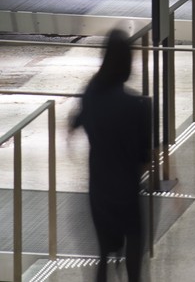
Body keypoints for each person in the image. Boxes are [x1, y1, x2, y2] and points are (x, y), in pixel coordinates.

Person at [70, 29, 152, 282]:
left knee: (103, 254)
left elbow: (75, 122)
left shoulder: (92, 92)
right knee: (134, 246)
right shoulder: (137, 107)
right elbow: (144, 158)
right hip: (127, 189)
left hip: (99, 188)